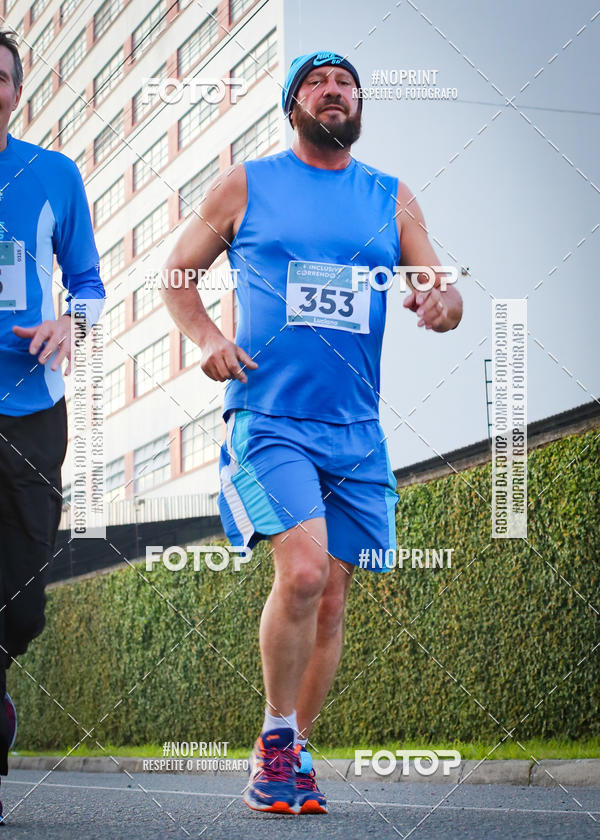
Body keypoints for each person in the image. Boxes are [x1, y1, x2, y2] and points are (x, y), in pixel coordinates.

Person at [162, 50, 463, 815]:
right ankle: (273, 740)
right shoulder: (247, 182)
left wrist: (440, 304)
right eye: (318, 84)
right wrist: (207, 341)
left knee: (331, 599)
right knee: (300, 574)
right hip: (270, 418)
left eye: (347, 85)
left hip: (357, 430)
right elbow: (176, 274)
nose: (336, 93)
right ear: (293, 104)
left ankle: (291, 757)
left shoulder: (389, 197)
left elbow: (440, 288)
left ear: (359, 106)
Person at [0, 31, 104, 818]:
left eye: (0, 77)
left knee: (24, 600)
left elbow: (91, 284)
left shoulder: (54, 175)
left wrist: (72, 324)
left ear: (16, 92)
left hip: (33, 407)